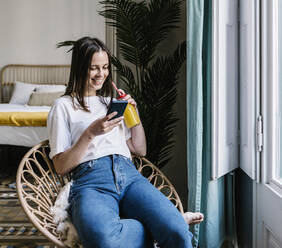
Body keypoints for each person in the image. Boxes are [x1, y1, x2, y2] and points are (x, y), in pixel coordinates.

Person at [47, 36, 203, 248]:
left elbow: (140, 149)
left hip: (129, 175)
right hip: (91, 181)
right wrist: (90, 133)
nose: (100, 74)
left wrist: (134, 115)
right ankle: (158, 227)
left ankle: (170, 224)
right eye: (94, 68)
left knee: (179, 234)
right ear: (80, 67)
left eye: (105, 67)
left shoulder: (112, 103)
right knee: (104, 242)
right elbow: (60, 165)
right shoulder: (63, 106)